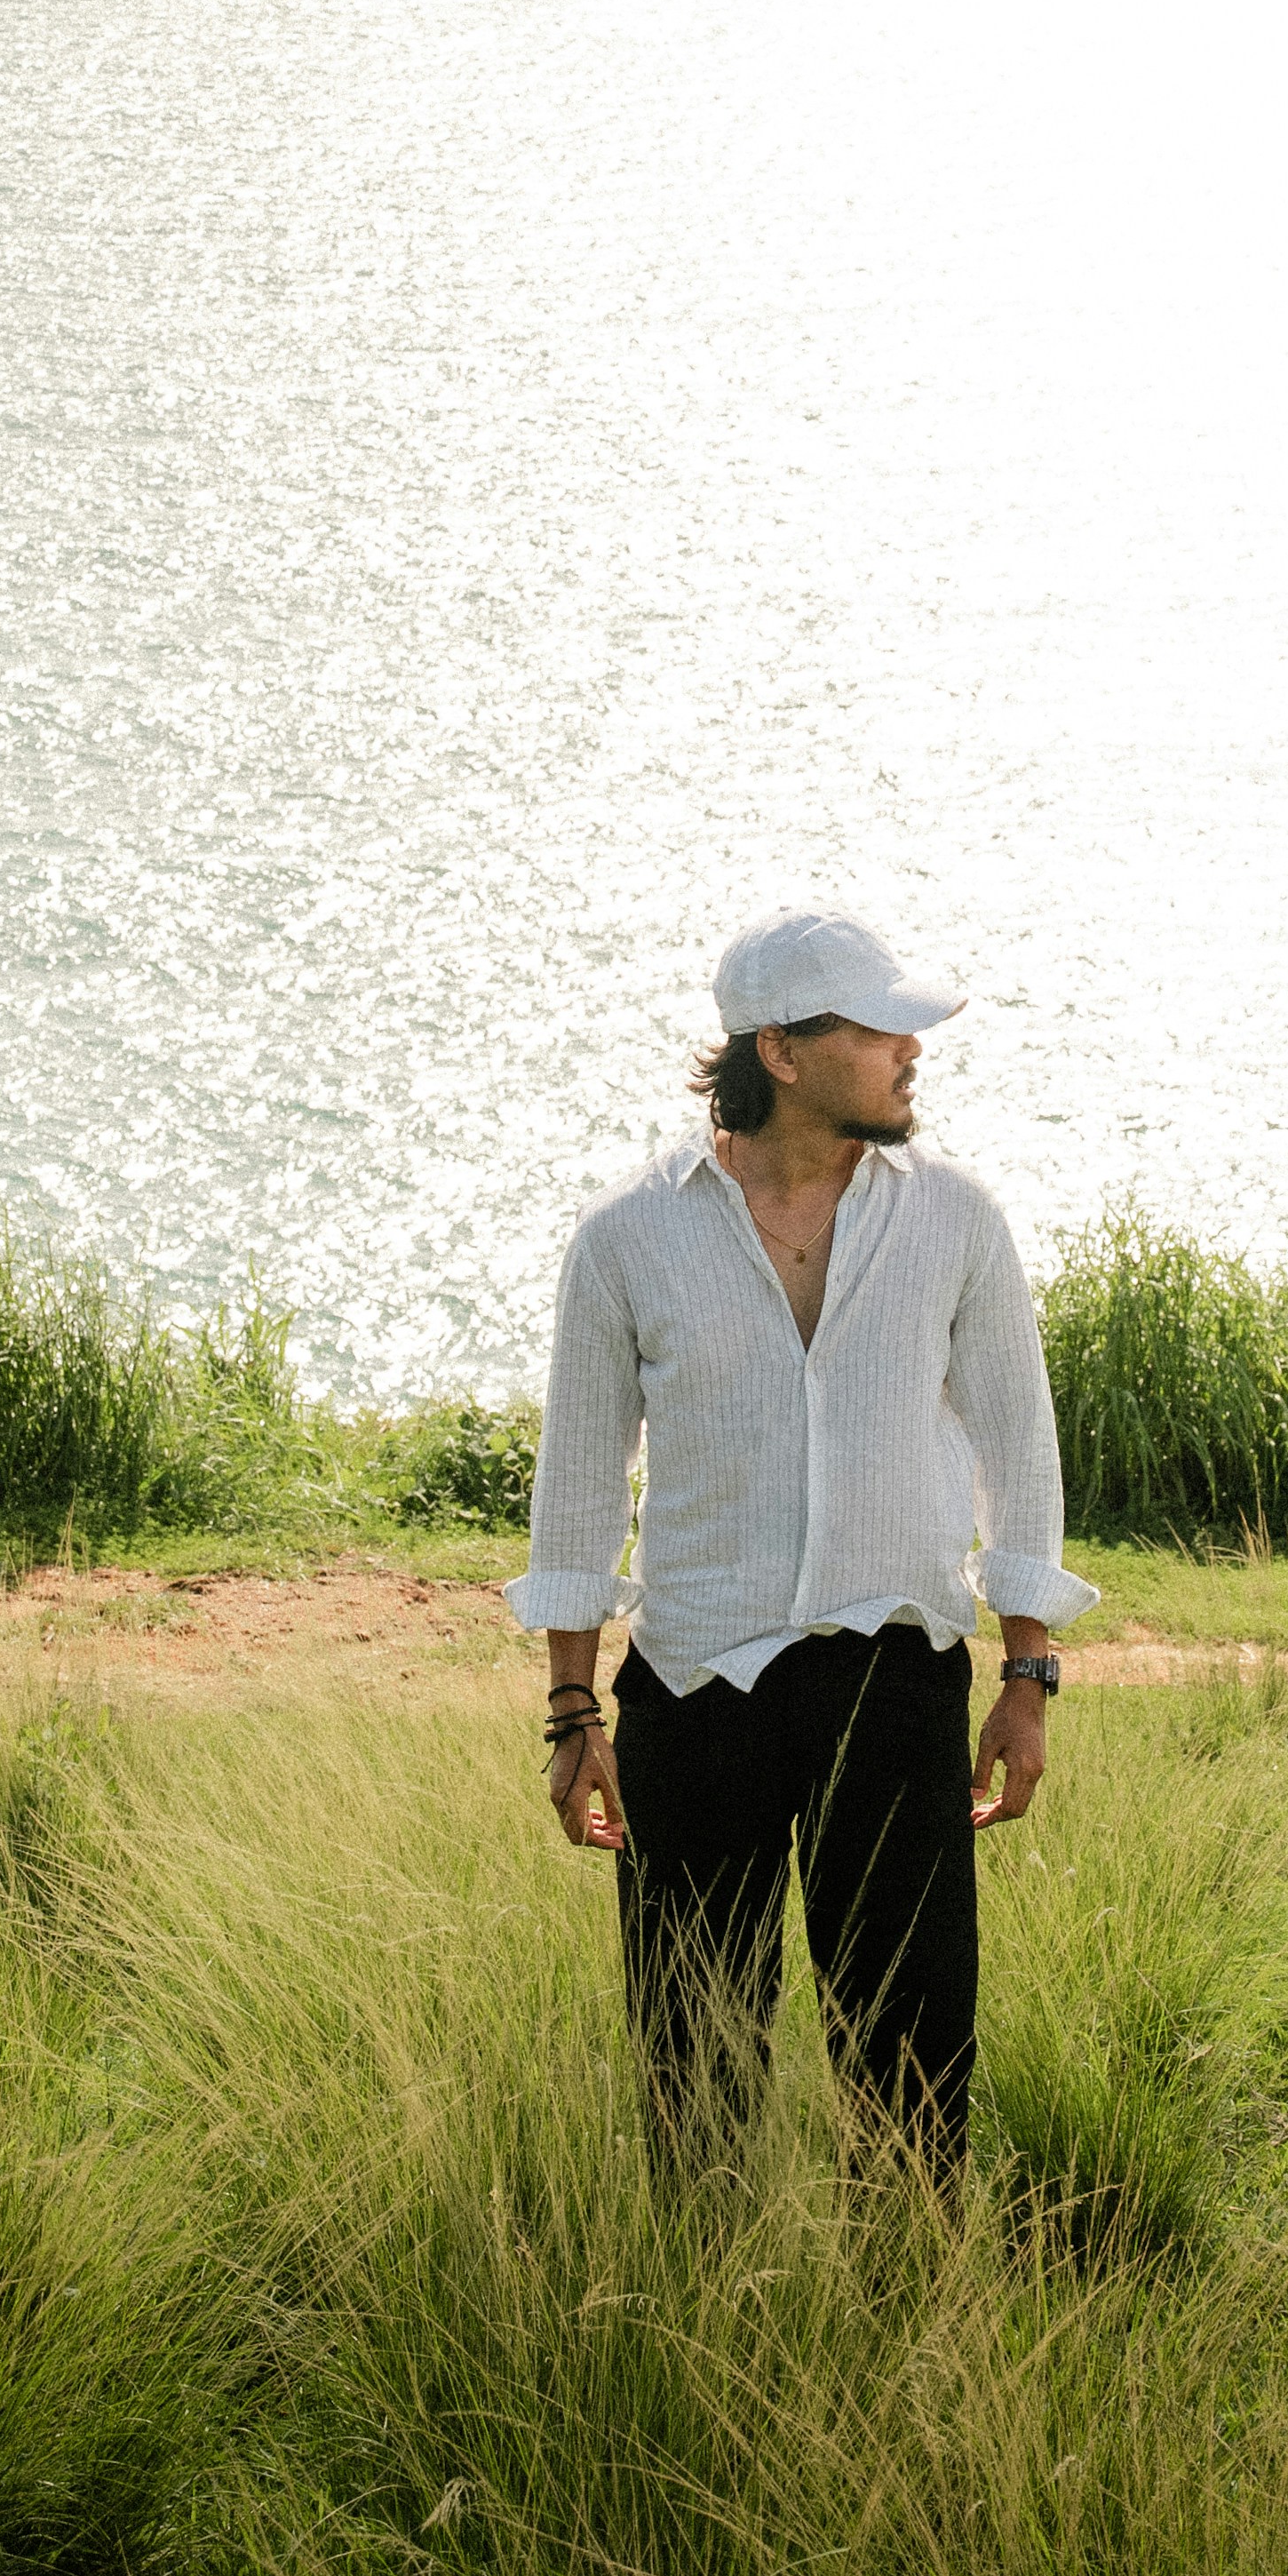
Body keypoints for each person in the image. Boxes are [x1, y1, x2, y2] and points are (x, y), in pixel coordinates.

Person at [505, 906, 1098, 2193]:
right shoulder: (628, 1238)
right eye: (880, 1027)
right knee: (692, 2061)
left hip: (894, 1682)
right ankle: (704, 2324)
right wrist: (571, 1711)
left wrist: (1027, 1673)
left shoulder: (955, 1221)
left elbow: (1020, 1452)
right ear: (780, 1049)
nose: (910, 1050)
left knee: (913, 2056)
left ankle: (905, 2331)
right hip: (692, 1693)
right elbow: (577, 1490)